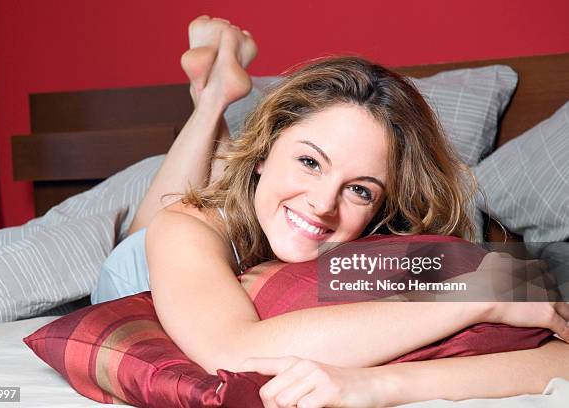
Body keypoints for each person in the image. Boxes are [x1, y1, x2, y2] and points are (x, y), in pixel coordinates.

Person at [92, 16, 569, 407]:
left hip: (258, 205)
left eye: (360, 190)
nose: (324, 203)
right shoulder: (187, 228)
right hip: (142, 263)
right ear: (264, 149)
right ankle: (212, 98)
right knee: (178, 210)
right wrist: (475, 296)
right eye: (309, 161)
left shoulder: (387, 250)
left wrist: (378, 386)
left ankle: (219, 92)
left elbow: (559, 361)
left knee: (270, 198)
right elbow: (231, 351)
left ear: (383, 205)